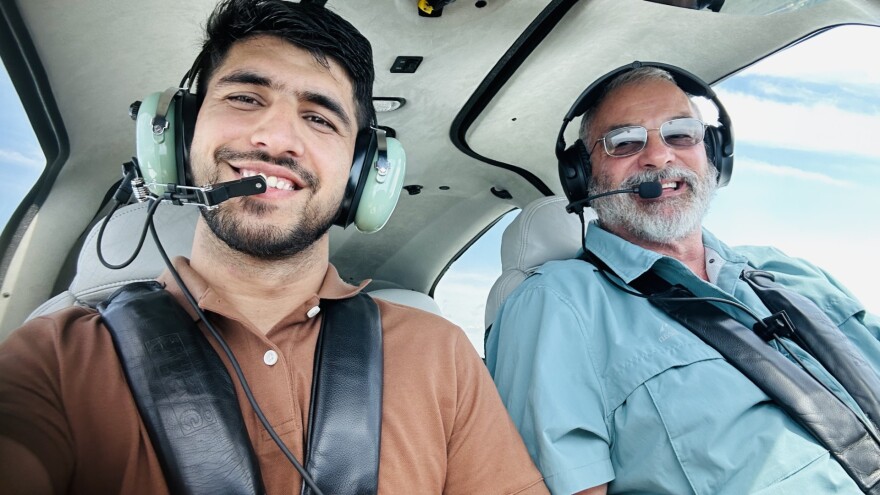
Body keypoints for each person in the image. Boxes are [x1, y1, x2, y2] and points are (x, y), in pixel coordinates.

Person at [0, 1, 549, 493]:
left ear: (364, 175)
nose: (275, 137)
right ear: (179, 138)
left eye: (318, 117)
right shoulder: (55, 356)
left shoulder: (439, 353)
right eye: (244, 97)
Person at [485, 63, 880, 495]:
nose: (658, 156)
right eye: (624, 142)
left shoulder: (788, 272)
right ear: (581, 174)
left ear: (713, 151)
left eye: (680, 134)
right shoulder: (556, 305)